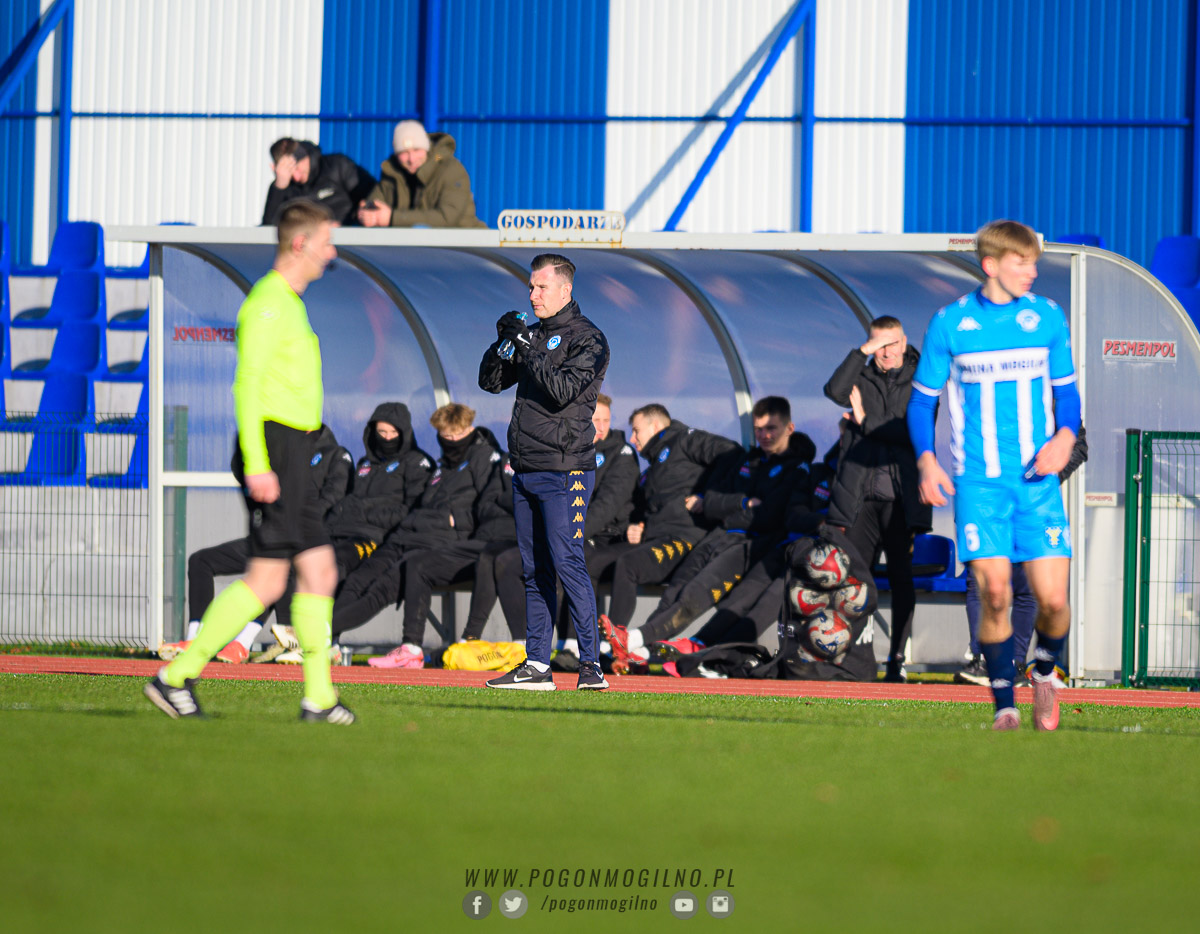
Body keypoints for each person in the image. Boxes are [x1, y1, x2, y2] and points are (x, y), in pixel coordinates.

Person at [145, 200, 354, 723]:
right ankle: (175, 677)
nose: (332, 253)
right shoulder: (267, 302)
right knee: (267, 580)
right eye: (326, 242)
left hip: (294, 451)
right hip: (275, 449)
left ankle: (319, 699)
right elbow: (247, 385)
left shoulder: (289, 302)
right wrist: (259, 463)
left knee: (319, 571)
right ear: (300, 244)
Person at [907, 219, 1081, 731]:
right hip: (979, 486)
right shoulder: (950, 323)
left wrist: (1065, 436)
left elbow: (1067, 393)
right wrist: (926, 459)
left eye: (1034, 262)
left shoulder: (1047, 316)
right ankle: (1005, 705)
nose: (1032, 271)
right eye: (1021, 262)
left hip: (1036, 484)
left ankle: (1043, 672)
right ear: (991, 265)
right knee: (997, 594)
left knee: (1054, 602)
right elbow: (922, 403)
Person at [478, 253, 610, 690]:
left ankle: (591, 666)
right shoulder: (532, 334)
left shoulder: (589, 338)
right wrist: (502, 342)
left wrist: (527, 345)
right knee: (535, 570)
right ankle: (537, 664)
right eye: (531, 287)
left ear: (565, 290)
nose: (533, 295)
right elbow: (490, 382)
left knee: (568, 562)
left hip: (566, 469)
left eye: (541, 287)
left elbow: (561, 390)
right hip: (527, 467)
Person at [604, 396, 815, 667]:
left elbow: (767, 516)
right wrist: (741, 503)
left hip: (748, 545)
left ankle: (633, 641)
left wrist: (728, 506)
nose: (764, 435)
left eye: (771, 428)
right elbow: (713, 501)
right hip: (716, 536)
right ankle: (642, 653)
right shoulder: (749, 460)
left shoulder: (796, 469)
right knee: (675, 590)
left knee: (694, 595)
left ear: (789, 428)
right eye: (758, 429)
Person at [159, 423, 353, 664]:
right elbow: (243, 467)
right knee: (201, 561)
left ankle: (245, 643)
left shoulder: (335, 455)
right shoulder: (277, 445)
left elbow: (335, 495)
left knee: (279, 576)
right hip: (273, 534)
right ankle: (195, 640)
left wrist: (303, 522)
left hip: (308, 540)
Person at [328, 404, 502, 656]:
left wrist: (456, 520)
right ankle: (324, 640)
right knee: (357, 580)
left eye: (457, 435)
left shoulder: (484, 459)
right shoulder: (442, 466)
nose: (452, 441)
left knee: (380, 591)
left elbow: (488, 504)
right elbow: (424, 504)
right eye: (445, 436)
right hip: (404, 537)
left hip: (435, 543)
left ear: (469, 429)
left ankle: (315, 636)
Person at [824, 315, 931, 682]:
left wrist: (863, 420)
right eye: (878, 346)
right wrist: (861, 353)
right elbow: (834, 391)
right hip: (860, 498)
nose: (886, 353)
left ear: (904, 342)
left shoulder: (922, 378)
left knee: (901, 578)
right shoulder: (862, 373)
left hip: (901, 500)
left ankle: (897, 660)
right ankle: (855, 658)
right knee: (855, 581)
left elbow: (911, 430)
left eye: (892, 344)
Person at [597, 404, 740, 665]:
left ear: (655, 427)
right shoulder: (651, 471)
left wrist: (707, 497)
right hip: (656, 538)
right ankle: (593, 644)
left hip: (686, 538)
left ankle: (614, 644)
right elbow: (641, 509)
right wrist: (637, 525)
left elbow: (731, 453)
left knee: (628, 564)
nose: (632, 439)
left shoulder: (685, 440)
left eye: (636, 431)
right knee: (592, 561)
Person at [957, 424, 1087, 685]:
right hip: (987, 497)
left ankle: (1016, 663)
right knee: (982, 582)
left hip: (1034, 502)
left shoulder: (1052, 400)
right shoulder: (981, 401)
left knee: (1032, 590)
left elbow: (1079, 446)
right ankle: (981, 658)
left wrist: (1048, 475)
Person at [357, 120, 486, 229]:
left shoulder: (452, 171)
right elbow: (376, 200)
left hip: (467, 246)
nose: (411, 159)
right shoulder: (392, 173)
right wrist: (368, 213)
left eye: (416, 150)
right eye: (404, 152)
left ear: (426, 148)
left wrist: (392, 218)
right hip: (416, 247)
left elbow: (447, 218)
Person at [261, 138, 375, 227]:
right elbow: (268, 228)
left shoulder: (337, 166)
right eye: (290, 173)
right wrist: (279, 187)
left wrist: (348, 224)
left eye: (297, 168)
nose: (296, 177)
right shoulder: (284, 187)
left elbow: (372, 198)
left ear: (305, 157)